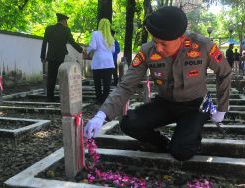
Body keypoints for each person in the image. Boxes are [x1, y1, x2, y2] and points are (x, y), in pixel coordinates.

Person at [84, 6, 231, 161]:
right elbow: (126, 85)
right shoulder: (147, 51)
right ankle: (163, 143)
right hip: (165, 103)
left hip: (195, 106)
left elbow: (224, 72)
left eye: (164, 44)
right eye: (155, 41)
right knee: (129, 123)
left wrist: (222, 108)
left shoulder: (203, 46)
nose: (158, 48)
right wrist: (101, 116)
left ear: (181, 38)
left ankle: (188, 137)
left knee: (182, 152)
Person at [40, 13, 83, 102]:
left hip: (51, 57)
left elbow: (44, 43)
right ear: (63, 20)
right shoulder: (66, 30)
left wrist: (42, 56)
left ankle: (50, 97)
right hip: (62, 57)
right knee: (63, 77)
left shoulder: (49, 29)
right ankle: (64, 96)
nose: (66, 23)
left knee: (51, 77)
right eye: (66, 21)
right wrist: (82, 51)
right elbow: (72, 42)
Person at [87, 18, 115, 105]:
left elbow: (93, 46)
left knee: (97, 82)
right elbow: (113, 50)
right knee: (107, 83)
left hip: (98, 61)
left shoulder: (95, 33)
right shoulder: (110, 36)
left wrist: (87, 51)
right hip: (108, 62)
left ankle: (99, 99)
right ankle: (105, 100)